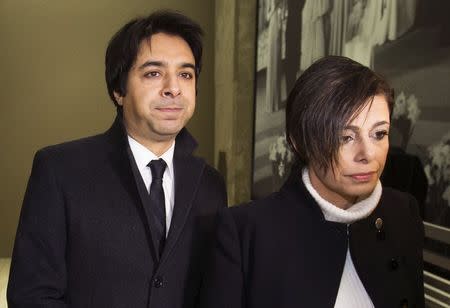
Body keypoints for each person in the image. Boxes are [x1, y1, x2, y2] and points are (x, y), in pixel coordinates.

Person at [8, 10, 227, 308]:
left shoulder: (210, 185)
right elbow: (31, 297)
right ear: (118, 90)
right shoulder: (59, 171)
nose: (173, 88)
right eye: (153, 73)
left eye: (185, 74)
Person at [200, 56, 424, 308]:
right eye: (345, 137)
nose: (368, 154)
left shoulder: (403, 212)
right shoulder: (245, 232)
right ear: (299, 141)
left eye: (379, 134)